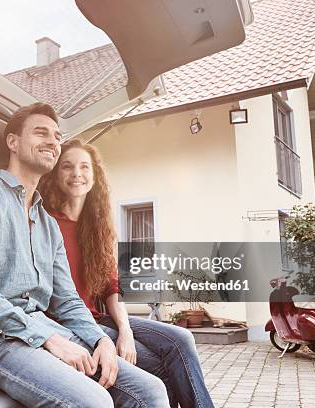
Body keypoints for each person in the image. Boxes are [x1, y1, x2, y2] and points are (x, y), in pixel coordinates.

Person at [0, 103, 169, 408]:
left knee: (151, 390)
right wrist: (50, 341)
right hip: (0, 339)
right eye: (41, 133)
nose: (53, 142)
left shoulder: (47, 224)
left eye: (56, 136)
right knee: (94, 402)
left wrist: (100, 339)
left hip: (49, 329)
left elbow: (67, 301)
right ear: (12, 142)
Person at [38, 139, 215, 408]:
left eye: (85, 167)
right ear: (55, 175)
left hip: (102, 319)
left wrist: (126, 330)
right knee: (160, 364)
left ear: (95, 175)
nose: (77, 174)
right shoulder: (47, 223)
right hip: (71, 325)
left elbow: (111, 286)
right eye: (67, 167)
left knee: (183, 339)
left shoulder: (96, 227)